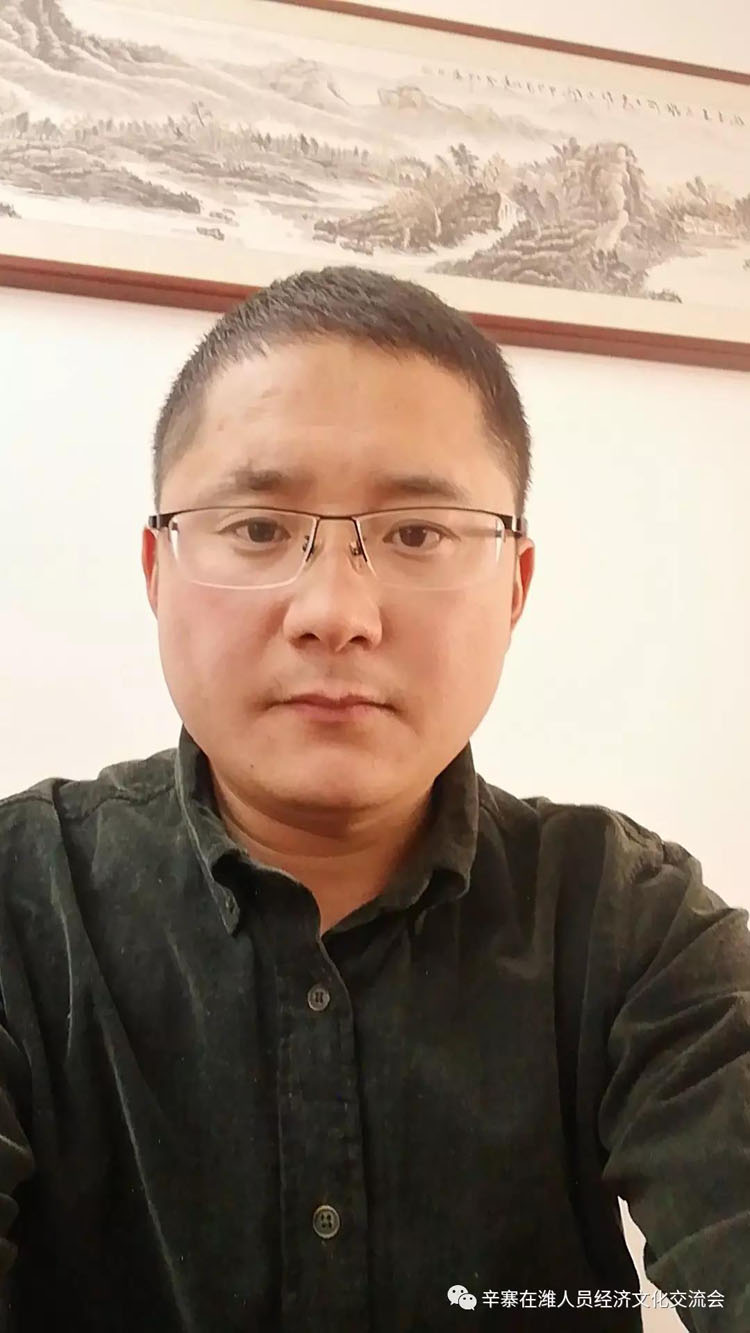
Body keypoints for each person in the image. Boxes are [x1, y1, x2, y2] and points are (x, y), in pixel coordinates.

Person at [0, 266, 747, 1333]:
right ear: (157, 571)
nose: (335, 612)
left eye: (417, 534)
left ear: (515, 587)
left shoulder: (632, 927)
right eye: (259, 528)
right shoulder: (22, 907)